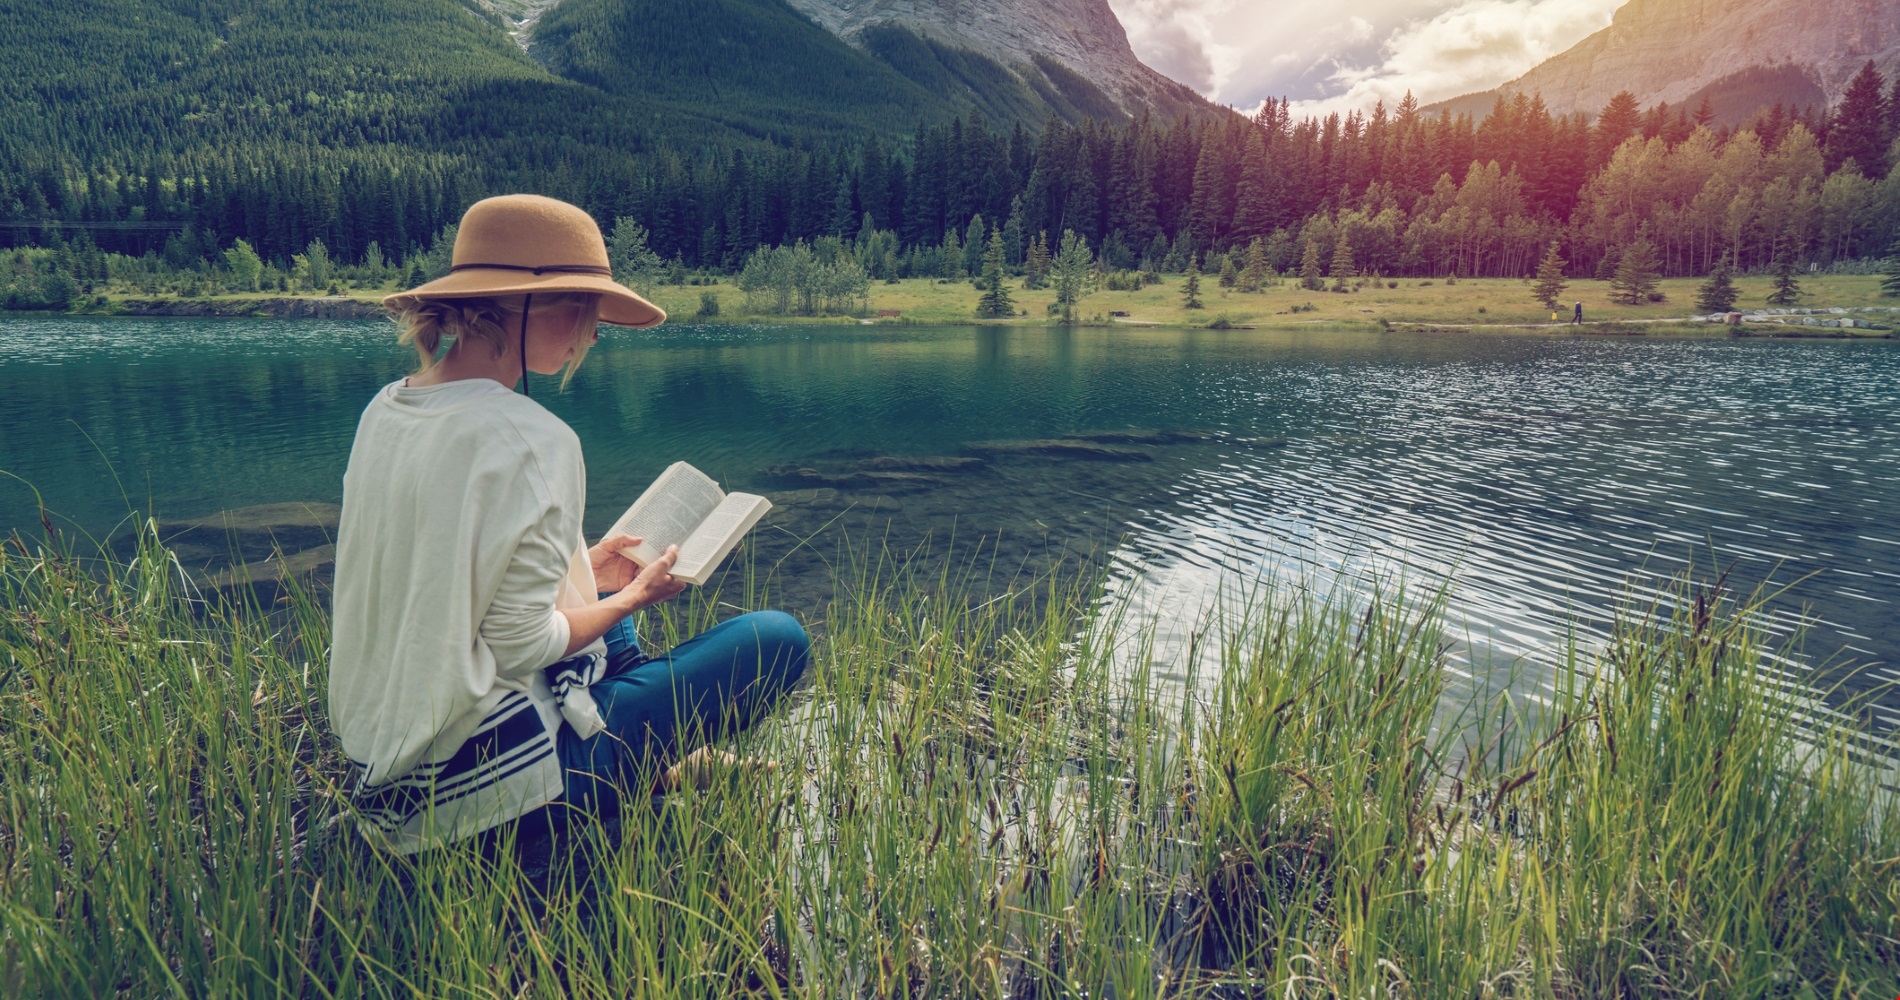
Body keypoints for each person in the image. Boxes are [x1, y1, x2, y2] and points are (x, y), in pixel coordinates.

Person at [327, 194, 810, 854]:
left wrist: (587, 563)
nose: (594, 332)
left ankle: (648, 761)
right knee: (778, 640)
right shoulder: (533, 440)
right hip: (486, 799)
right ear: (531, 308)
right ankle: (627, 767)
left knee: (598, 585)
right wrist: (637, 595)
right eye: (587, 310)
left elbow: (441, 572)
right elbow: (523, 648)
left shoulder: (386, 412)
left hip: (387, 776)